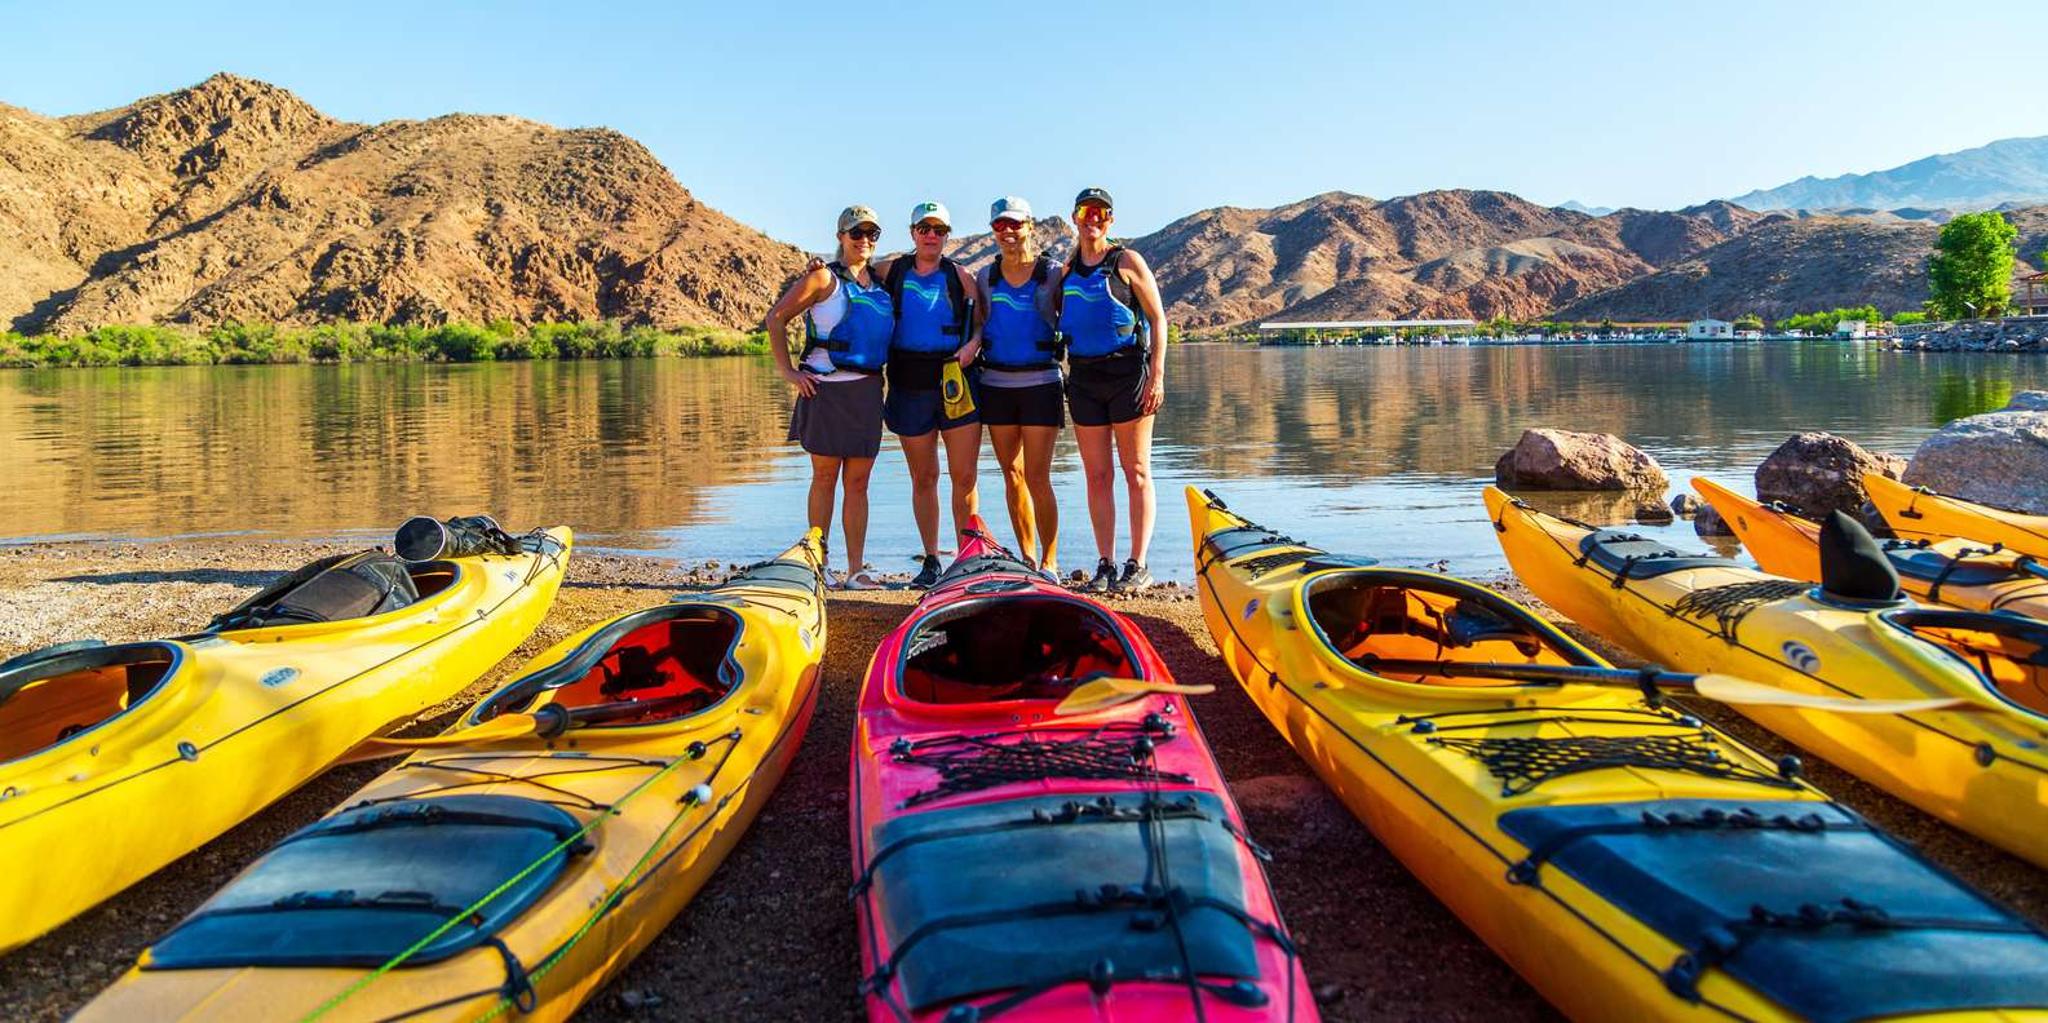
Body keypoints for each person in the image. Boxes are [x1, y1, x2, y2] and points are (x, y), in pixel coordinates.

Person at [765, 204, 894, 589]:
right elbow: (775, 318)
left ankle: (856, 571)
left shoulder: (882, 278)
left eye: (872, 234)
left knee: (858, 484)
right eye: (856, 233)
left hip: (867, 392)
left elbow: (922, 262)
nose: (865, 240)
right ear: (841, 236)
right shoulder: (823, 278)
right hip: (824, 390)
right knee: (824, 478)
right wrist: (788, 372)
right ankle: (817, 567)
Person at [1059, 187, 1168, 593]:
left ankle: (1137, 563)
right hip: (1084, 379)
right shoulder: (1068, 270)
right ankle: (1104, 563)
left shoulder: (1126, 262)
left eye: (1102, 213)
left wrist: (1157, 375)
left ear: (1110, 220)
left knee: (1136, 471)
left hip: (1128, 377)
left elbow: (1158, 320)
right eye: (1087, 211)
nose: (1094, 218)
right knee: (1097, 475)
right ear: (1075, 217)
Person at [874, 201, 984, 588]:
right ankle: (933, 560)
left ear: (947, 235)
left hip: (954, 381)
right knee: (924, 476)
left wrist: (973, 344)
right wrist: (823, 269)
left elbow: (981, 323)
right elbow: (851, 274)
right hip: (908, 382)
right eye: (925, 228)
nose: (931, 235)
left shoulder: (960, 276)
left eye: (939, 230)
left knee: (965, 476)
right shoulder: (892, 270)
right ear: (912, 232)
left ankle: (968, 559)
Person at [960, 196, 1064, 578]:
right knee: (1012, 473)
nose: (1008, 232)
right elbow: (979, 324)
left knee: (1038, 475)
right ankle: (1027, 557)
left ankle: (1051, 562)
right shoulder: (985, 278)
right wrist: (971, 345)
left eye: (1015, 224)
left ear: (1030, 227)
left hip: (1041, 383)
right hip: (997, 385)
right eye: (1000, 226)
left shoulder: (1052, 273)